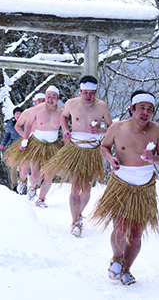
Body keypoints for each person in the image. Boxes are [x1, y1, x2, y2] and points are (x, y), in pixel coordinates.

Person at [91, 90, 159, 285]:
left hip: (145, 187)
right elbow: (104, 147)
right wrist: (111, 159)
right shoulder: (117, 128)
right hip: (121, 184)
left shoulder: (156, 129)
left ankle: (126, 268)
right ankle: (117, 258)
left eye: (150, 109)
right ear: (132, 108)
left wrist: (154, 159)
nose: (146, 112)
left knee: (135, 235)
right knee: (120, 228)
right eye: (142, 107)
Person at [42, 75, 112, 237]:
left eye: (92, 93)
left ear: (95, 92)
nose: (88, 96)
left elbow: (111, 128)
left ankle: (79, 214)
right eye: (85, 92)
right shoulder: (71, 104)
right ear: (80, 90)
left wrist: (99, 131)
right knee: (75, 187)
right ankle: (75, 221)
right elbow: (64, 117)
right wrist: (65, 130)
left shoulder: (102, 107)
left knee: (86, 190)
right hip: (75, 148)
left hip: (92, 150)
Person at [3, 86, 63, 206]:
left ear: (57, 98)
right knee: (29, 172)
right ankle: (24, 181)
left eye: (53, 97)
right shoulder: (31, 111)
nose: (46, 101)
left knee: (49, 174)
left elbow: (67, 128)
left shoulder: (62, 112)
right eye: (45, 98)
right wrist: (26, 139)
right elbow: (20, 126)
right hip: (34, 143)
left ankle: (40, 199)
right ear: (35, 101)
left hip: (52, 145)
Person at [0, 106, 24, 191]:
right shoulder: (10, 125)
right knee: (13, 167)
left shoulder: (26, 123)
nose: (19, 115)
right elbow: (7, 136)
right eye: (17, 113)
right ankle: (15, 187)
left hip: (24, 147)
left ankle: (23, 186)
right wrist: (3, 144)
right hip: (13, 147)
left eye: (21, 114)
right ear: (14, 115)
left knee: (23, 168)